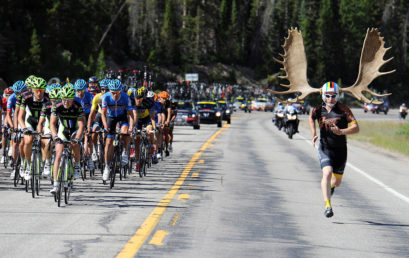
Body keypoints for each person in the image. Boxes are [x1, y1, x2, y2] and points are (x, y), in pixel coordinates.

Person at [308, 82, 359, 218]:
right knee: (327, 173)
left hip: (341, 150)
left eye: (333, 96)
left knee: (336, 182)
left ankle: (330, 188)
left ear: (337, 96)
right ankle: (328, 206)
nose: (331, 98)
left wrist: (341, 131)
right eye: (328, 96)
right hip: (325, 147)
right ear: (323, 96)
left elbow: (356, 128)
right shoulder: (318, 110)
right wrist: (313, 133)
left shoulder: (344, 110)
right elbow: (311, 118)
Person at [50, 85, 85, 193]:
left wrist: (78, 138)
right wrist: (55, 136)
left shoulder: (77, 106)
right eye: (64, 99)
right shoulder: (57, 106)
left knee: (74, 144)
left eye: (69, 100)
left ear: (73, 99)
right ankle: (56, 184)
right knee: (58, 154)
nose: (66, 102)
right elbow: (52, 123)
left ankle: (77, 164)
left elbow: (81, 125)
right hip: (63, 130)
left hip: (75, 129)